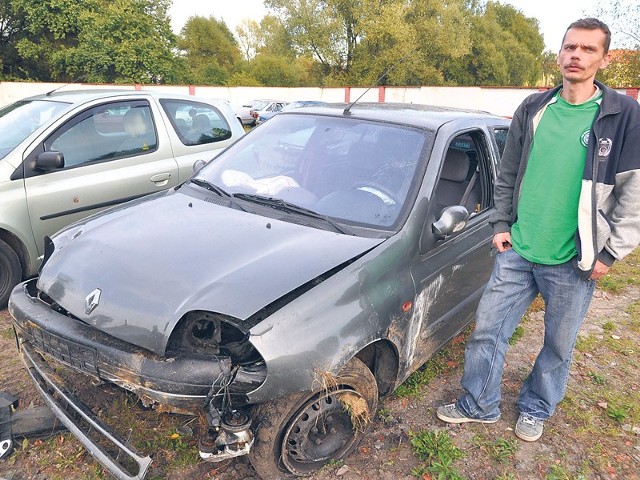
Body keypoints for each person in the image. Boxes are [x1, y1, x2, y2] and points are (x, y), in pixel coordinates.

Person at [436, 18, 640, 442]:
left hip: (573, 258)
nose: (576, 55)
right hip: (519, 249)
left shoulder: (622, 115)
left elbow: (633, 191)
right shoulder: (533, 107)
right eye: (570, 47)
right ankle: (479, 404)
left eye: (587, 49)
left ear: (602, 58)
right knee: (488, 330)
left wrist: (610, 252)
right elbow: (507, 172)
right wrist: (501, 223)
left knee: (558, 345)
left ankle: (536, 406)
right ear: (560, 53)